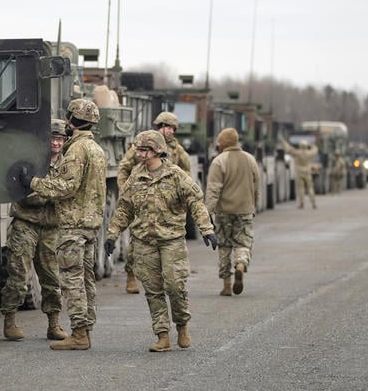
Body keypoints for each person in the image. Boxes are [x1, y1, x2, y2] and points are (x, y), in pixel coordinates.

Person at [104, 130, 217, 352]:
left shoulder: (176, 175)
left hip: (171, 240)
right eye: (138, 149)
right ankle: (162, 335)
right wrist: (112, 234)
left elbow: (195, 201)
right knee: (153, 291)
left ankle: (182, 325)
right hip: (144, 241)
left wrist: (206, 229)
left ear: (157, 151)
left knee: (175, 286)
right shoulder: (135, 176)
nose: (140, 154)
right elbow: (124, 208)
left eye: (144, 150)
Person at [21, 99, 107, 350]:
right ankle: (86, 329)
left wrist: (34, 182)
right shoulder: (98, 150)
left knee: (72, 279)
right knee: (87, 279)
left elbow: (66, 186)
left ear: (72, 120)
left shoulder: (77, 150)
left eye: (69, 118)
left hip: (73, 226)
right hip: (91, 225)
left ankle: (79, 333)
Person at [0, 119, 69, 341]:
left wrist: (45, 190)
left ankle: (54, 324)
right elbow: (24, 194)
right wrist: (52, 193)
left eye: (59, 139)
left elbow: (70, 192)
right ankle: (9, 320)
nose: (56, 143)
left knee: (52, 278)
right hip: (25, 223)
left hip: (51, 228)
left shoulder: (68, 166)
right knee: (18, 274)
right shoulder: (28, 163)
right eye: (52, 139)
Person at [116, 111, 191, 294]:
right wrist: (127, 192)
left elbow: (187, 174)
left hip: (166, 204)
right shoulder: (144, 145)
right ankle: (131, 275)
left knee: (168, 244)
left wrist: (179, 196)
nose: (169, 131)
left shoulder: (177, 151)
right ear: (159, 128)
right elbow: (124, 168)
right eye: (166, 127)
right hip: (141, 200)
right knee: (137, 240)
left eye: (172, 128)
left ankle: (164, 278)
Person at [204, 128, 260, 297]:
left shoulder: (219, 161)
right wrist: (253, 206)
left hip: (223, 212)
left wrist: (207, 213)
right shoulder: (250, 159)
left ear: (222, 144)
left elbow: (213, 190)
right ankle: (241, 265)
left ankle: (227, 285)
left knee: (224, 246)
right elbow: (256, 186)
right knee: (243, 243)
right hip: (244, 210)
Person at [282, 138, 317, 209]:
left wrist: (284, 142)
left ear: (300, 146)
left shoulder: (297, 153)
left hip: (300, 173)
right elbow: (315, 150)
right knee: (310, 188)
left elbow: (289, 149)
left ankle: (302, 203)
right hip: (307, 172)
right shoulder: (309, 153)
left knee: (301, 189)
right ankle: (313, 203)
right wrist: (312, 145)